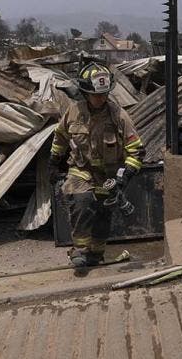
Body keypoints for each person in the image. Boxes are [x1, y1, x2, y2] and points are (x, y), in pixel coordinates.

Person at [48, 62, 143, 270]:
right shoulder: (74, 112)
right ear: (85, 92)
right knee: (81, 201)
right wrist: (54, 162)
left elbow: (136, 149)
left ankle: (96, 253)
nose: (101, 98)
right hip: (81, 170)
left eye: (104, 94)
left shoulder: (118, 115)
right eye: (96, 94)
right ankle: (79, 250)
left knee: (102, 213)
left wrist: (125, 175)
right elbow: (61, 137)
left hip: (109, 176)